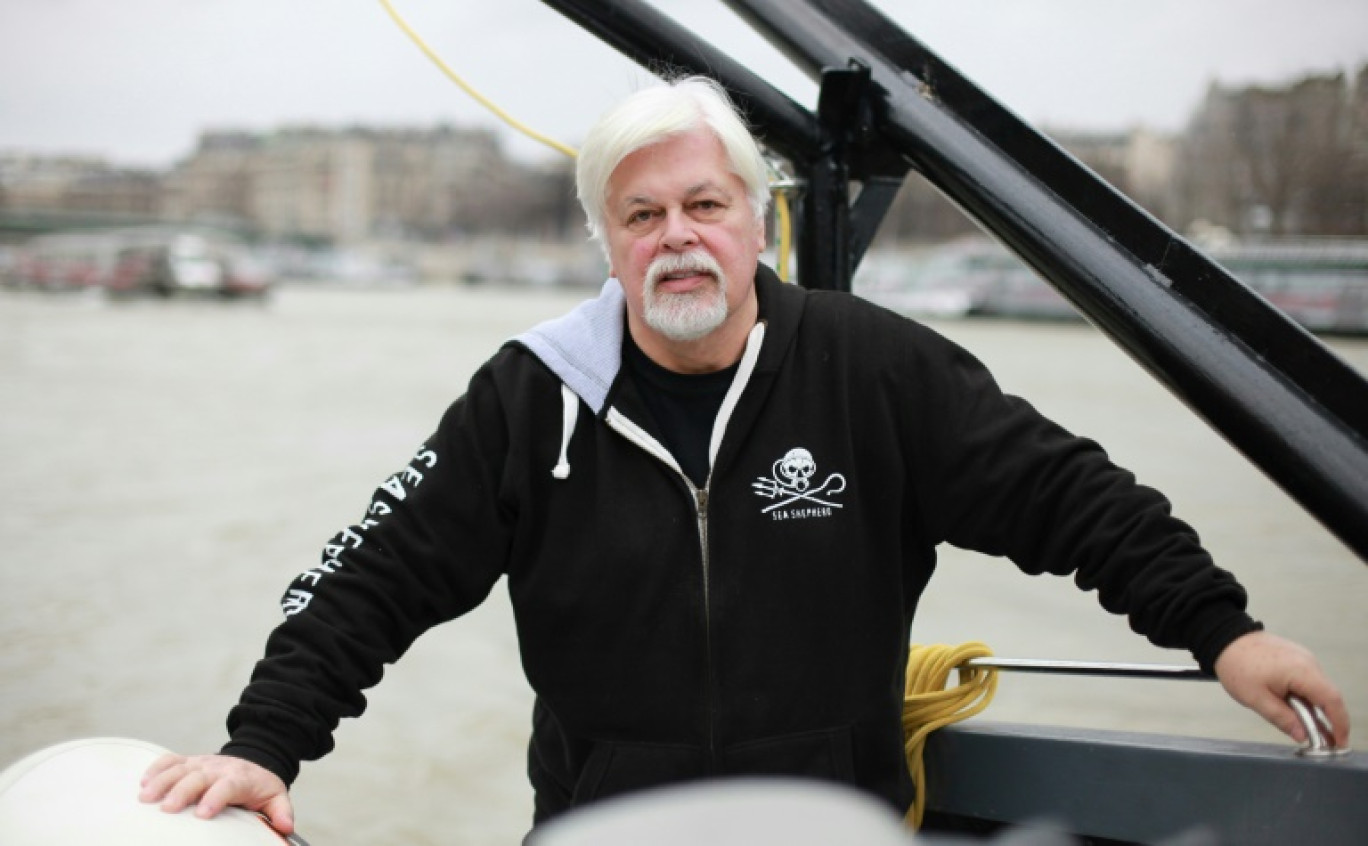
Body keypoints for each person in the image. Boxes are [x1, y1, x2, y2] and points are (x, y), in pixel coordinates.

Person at [139, 76, 1349, 837]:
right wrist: (260, 749)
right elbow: (366, 583)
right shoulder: (527, 403)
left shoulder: (873, 371)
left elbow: (1069, 495)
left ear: (755, 219)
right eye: (643, 215)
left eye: (705, 205)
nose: (678, 239)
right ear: (606, 244)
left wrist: (1223, 632)